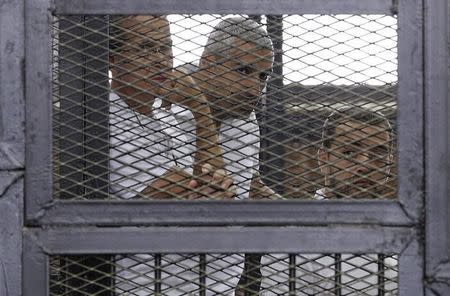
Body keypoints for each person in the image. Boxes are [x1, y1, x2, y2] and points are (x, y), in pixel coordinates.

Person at [109, 15, 275, 295]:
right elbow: (207, 196)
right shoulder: (165, 111)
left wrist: (311, 214)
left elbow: (240, 187)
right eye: (145, 48)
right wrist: (200, 109)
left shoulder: (243, 120)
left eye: (166, 48)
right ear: (208, 64)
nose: (255, 88)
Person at [316, 107, 394, 200]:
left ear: (389, 163)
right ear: (323, 160)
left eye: (379, 155)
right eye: (349, 153)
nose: (365, 166)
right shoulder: (298, 214)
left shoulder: (404, 214)